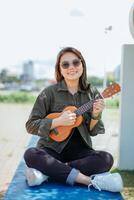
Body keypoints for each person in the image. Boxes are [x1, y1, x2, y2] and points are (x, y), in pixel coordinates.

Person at [24, 47, 123, 192]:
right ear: (60, 69)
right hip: (51, 149)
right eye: (65, 64)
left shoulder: (92, 93)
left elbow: (93, 131)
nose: (71, 67)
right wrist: (58, 122)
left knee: (106, 159)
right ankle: (87, 180)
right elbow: (31, 125)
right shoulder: (48, 93)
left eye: (76, 62)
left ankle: (47, 173)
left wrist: (96, 115)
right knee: (30, 154)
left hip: (81, 152)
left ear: (82, 65)